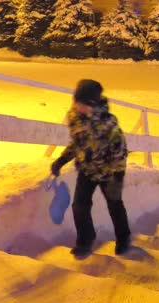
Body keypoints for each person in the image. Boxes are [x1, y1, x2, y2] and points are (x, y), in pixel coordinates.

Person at [51, 79, 131, 257]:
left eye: (82, 103)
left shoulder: (108, 123)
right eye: (76, 102)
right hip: (87, 170)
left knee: (114, 204)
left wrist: (116, 178)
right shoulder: (75, 118)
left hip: (109, 171)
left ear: (92, 104)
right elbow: (77, 143)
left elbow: (120, 151)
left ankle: (123, 238)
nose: (77, 106)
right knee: (79, 206)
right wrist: (62, 160)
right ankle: (85, 240)